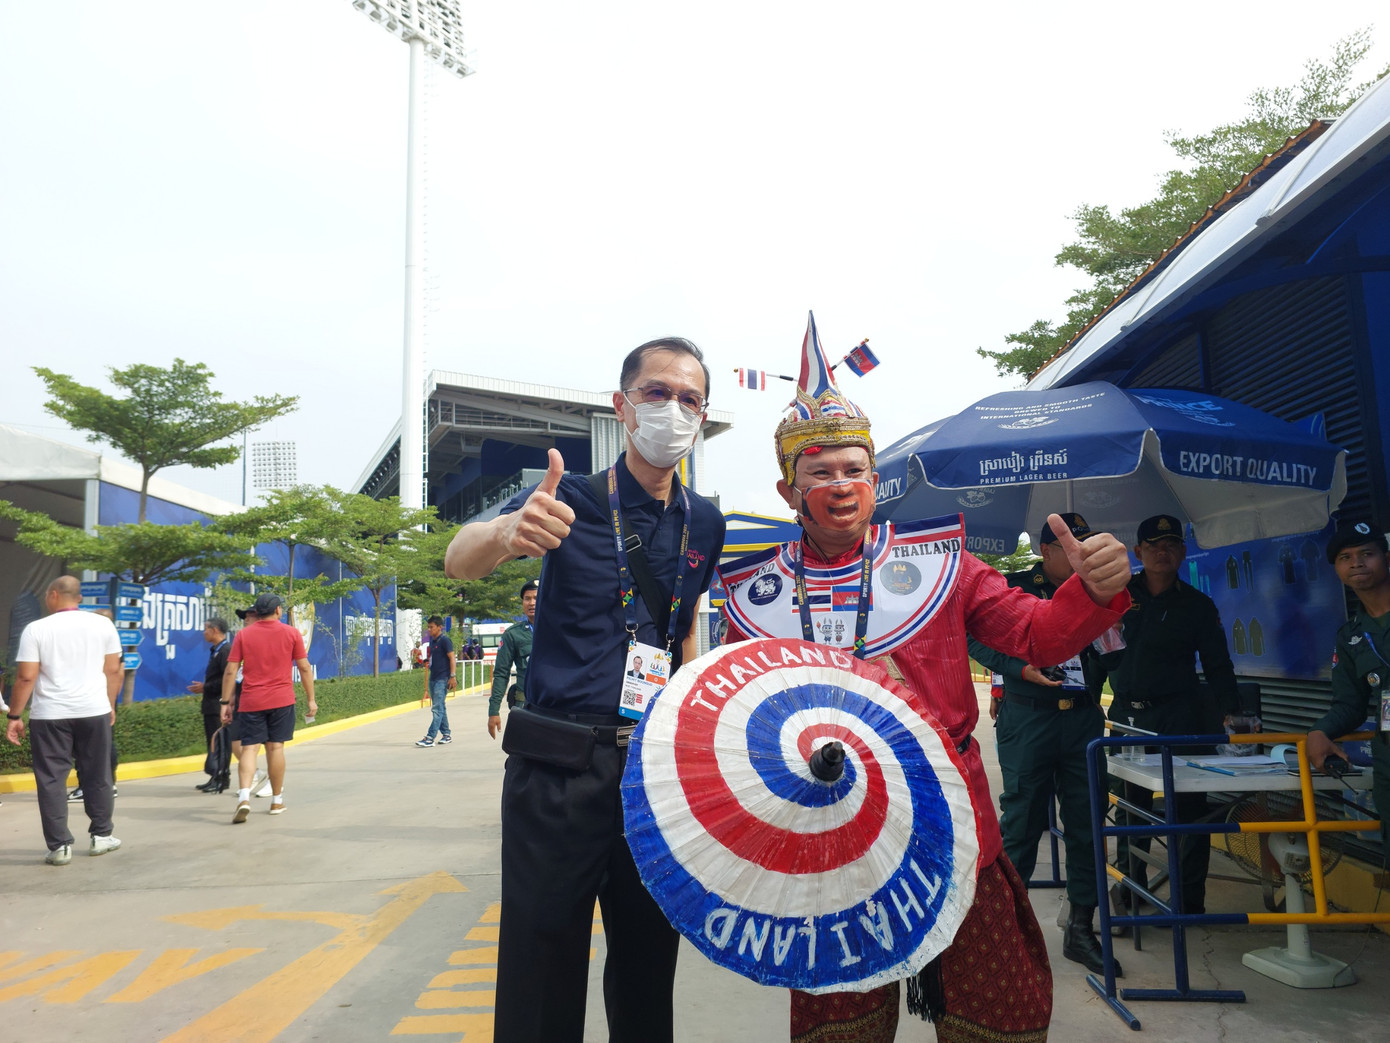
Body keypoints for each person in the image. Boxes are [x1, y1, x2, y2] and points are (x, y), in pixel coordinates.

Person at [717, 315, 1133, 1043]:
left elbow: (1034, 633)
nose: (839, 485)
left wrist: (1091, 592)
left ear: (876, 481)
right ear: (789, 491)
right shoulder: (754, 595)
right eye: (820, 473)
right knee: (838, 1021)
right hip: (828, 833)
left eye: (853, 469)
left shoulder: (943, 567)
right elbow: (732, 716)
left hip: (951, 820)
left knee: (993, 1012)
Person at [444, 336, 726, 1043]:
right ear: (622, 405)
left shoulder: (706, 520)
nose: (672, 409)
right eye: (656, 393)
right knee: (541, 970)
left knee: (646, 968)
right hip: (557, 770)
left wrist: (692, 741)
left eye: (688, 398)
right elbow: (458, 559)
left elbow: (683, 628)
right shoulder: (564, 495)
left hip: (651, 776)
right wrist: (510, 530)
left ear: (703, 414)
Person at [967, 514, 1121, 978]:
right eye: (1068, 546)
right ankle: (1007, 931)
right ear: (1047, 551)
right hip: (1028, 718)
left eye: (1085, 543)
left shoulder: (1099, 588)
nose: (1078, 554)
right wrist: (1019, 667)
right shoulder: (1011, 588)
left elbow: (1117, 651)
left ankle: (1080, 927)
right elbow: (977, 640)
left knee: (1087, 823)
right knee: (1021, 824)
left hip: (1083, 721)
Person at [1104, 513, 1239, 916]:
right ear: (1138, 552)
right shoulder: (1116, 598)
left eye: (1171, 545)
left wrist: (1232, 713)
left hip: (1182, 716)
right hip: (1129, 717)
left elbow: (1218, 666)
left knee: (1190, 811)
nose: (1163, 553)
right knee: (1132, 809)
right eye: (1154, 545)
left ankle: (1189, 901)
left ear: (1182, 552)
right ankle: (1130, 892)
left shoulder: (1198, 605)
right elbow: (1095, 655)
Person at [5, 576, 124, 865]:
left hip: (51, 715)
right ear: (78, 597)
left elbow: (26, 676)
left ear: (54, 594)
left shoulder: (36, 629)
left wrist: (15, 715)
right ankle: (101, 836)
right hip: (93, 711)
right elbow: (113, 671)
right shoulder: (103, 625)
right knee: (97, 774)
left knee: (51, 779)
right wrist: (109, 705)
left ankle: (59, 846)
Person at [1306, 519, 1390, 848]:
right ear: (1337, 570)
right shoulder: (1352, 636)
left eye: (1367, 553)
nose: (1356, 562)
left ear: (1386, 558)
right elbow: (1350, 703)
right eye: (1345, 557)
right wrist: (1319, 731)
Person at [220, 593, 317, 823]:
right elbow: (304, 668)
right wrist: (311, 699)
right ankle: (276, 800)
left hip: (252, 700)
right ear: (278, 611)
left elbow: (231, 671)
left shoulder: (244, 635)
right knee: (275, 749)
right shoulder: (291, 633)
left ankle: (244, 798)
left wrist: (225, 702)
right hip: (281, 700)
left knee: (250, 748)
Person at [487, 579, 537, 740]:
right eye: (527, 598)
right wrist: (493, 711)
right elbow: (501, 673)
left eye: (536, 598)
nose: (531, 603)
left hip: (556, 706)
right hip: (525, 706)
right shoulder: (513, 635)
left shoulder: (559, 628)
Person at [190, 617, 232, 792]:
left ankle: (221, 779)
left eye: (206, 628)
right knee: (213, 743)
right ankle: (214, 776)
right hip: (211, 705)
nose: (203, 632)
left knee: (220, 743)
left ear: (215, 630)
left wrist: (205, 687)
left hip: (218, 706)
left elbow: (226, 678)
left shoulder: (226, 650)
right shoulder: (216, 650)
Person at [415, 615, 456, 747]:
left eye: (431, 627)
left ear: (440, 627)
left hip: (442, 679)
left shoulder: (445, 641)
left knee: (437, 709)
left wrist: (453, 676)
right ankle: (446, 734)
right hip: (433, 678)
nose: (429, 629)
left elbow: (452, 659)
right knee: (441, 707)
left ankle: (430, 737)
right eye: (428, 627)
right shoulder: (432, 642)